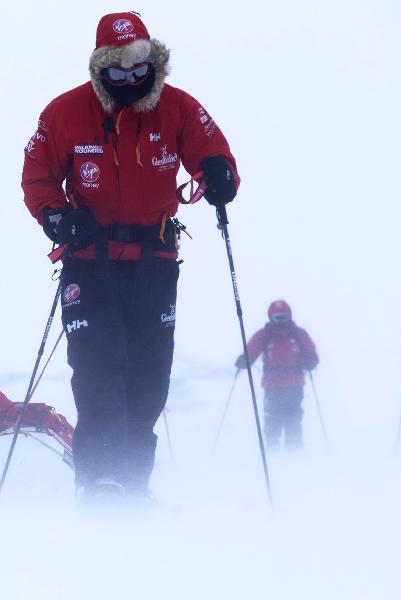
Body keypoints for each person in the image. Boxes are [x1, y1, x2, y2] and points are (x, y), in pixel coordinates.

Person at [21, 12, 239, 503]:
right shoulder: (63, 113)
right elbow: (36, 175)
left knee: (148, 378)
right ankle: (97, 486)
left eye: (138, 68)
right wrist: (55, 217)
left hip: (154, 260)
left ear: (153, 62)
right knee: (98, 371)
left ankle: (134, 486)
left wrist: (219, 173)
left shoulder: (178, 108)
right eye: (116, 71)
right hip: (88, 261)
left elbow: (213, 151)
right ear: (100, 68)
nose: (129, 80)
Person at [235, 300, 318, 450]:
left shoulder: (299, 334)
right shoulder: (265, 335)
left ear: (290, 316)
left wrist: (312, 359)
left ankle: (294, 455)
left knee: (293, 420)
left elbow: (310, 351)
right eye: (277, 317)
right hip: (272, 387)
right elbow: (252, 350)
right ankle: (273, 454)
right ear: (271, 317)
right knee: (272, 421)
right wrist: (245, 359)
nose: (281, 321)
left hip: (294, 385)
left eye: (284, 317)